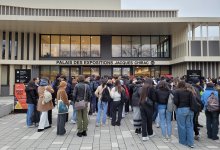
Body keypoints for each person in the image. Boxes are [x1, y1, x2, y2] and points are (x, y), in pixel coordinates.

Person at [174, 81, 194, 148]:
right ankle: (191, 143)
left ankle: (183, 142)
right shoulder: (189, 91)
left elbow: (175, 101)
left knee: (182, 126)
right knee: (190, 126)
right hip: (190, 110)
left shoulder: (177, 91)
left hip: (181, 109)